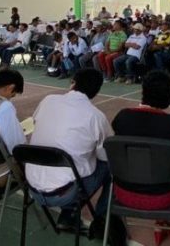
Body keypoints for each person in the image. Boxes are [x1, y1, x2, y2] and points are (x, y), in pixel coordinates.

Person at [27, 69, 112, 231]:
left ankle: (70, 214)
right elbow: (105, 156)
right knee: (111, 168)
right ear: (97, 91)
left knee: (71, 164)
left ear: (73, 82)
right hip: (65, 192)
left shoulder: (48, 100)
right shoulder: (96, 116)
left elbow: (38, 124)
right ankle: (101, 221)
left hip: (33, 188)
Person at [111, 71, 170, 211]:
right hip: (164, 196)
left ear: (142, 91)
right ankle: (166, 223)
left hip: (123, 192)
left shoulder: (122, 117)